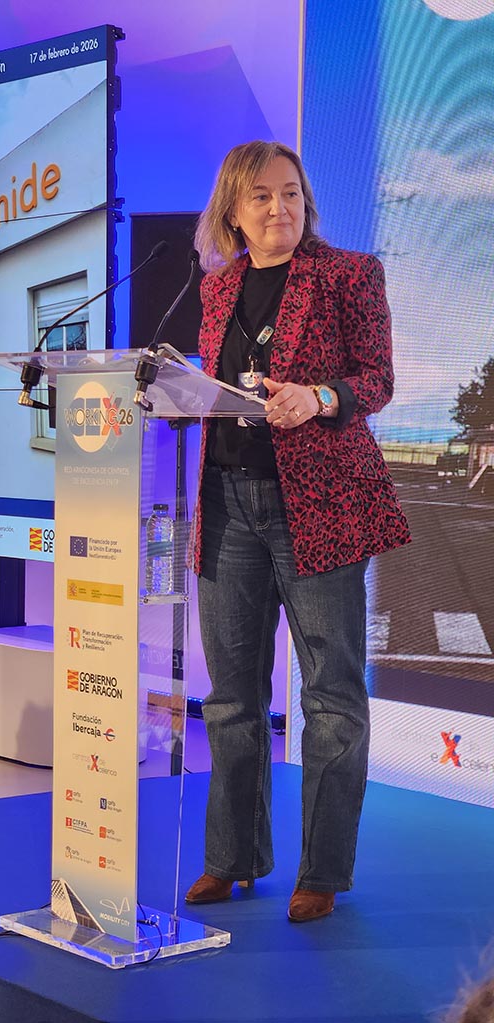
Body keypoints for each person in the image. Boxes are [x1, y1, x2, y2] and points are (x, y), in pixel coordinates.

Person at [185, 140, 411, 922]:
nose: (280, 207)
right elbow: (221, 383)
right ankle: (232, 858)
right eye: (262, 196)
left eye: (290, 193)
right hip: (227, 501)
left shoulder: (350, 273)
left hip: (318, 504)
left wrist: (318, 396)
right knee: (230, 697)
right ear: (233, 209)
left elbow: (377, 378)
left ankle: (323, 870)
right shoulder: (218, 287)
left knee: (332, 696)